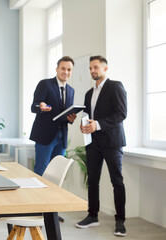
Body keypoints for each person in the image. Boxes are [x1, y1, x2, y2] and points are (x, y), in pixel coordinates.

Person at [76, 56, 127, 237]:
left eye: (95, 67)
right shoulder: (89, 93)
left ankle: (120, 221)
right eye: (90, 68)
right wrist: (85, 125)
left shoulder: (116, 87)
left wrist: (97, 124)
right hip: (93, 144)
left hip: (112, 143)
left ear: (105, 68)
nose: (92, 71)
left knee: (117, 182)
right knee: (93, 181)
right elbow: (89, 116)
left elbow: (121, 114)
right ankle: (92, 215)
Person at [30, 56, 77, 176]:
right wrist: (40, 106)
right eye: (63, 68)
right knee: (41, 170)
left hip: (62, 138)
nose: (66, 72)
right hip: (45, 136)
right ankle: (39, 195)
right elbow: (34, 106)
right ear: (57, 69)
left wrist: (70, 119)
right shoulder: (45, 84)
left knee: (57, 173)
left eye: (69, 70)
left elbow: (65, 113)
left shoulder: (71, 91)